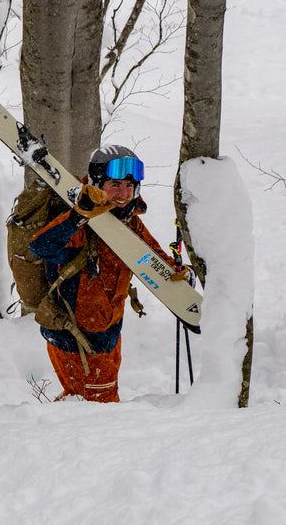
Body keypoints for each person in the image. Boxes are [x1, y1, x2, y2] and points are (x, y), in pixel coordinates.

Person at [29, 145, 192, 403]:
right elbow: (40, 246)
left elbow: (150, 256)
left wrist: (175, 271)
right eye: (115, 184)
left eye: (130, 186)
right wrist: (77, 217)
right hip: (77, 339)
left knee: (87, 405)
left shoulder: (128, 219)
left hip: (108, 333)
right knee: (98, 412)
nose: (124, 194)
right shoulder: (80, 220)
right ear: (97, 183)